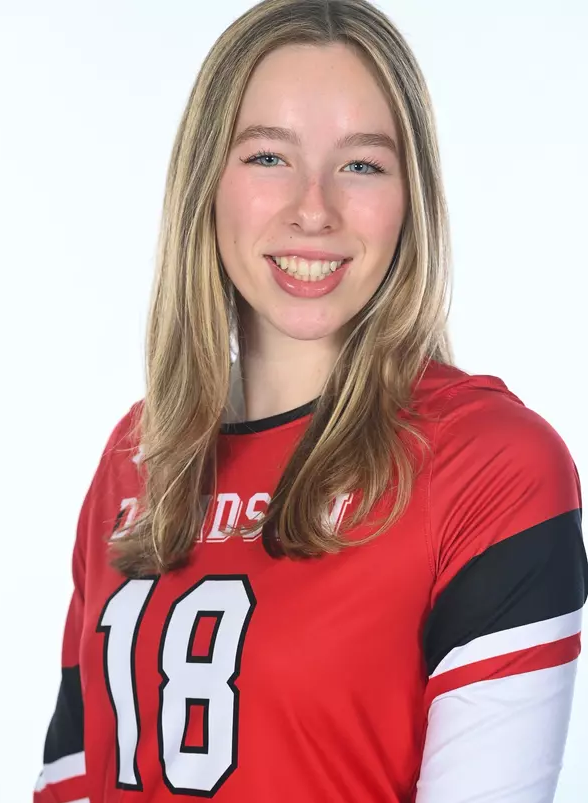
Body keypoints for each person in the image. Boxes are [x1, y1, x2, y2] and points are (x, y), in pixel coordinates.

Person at [34, 0, 587, 801]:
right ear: (206, 183)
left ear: (411, 200)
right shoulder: (137, 455)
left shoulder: (491, 468)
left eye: (362, 165)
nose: (314, 208)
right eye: (267, 157)